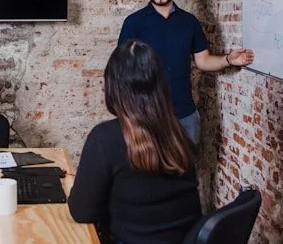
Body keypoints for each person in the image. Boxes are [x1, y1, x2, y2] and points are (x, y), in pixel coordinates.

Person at [68, 40, 201, 243]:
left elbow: (82, 212)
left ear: (113, 86)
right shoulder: (179, 134)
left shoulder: (104, 138)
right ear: (160, 85)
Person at [118, 0, 254, 144]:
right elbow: (121, 72)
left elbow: (203, 61)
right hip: (146, 118)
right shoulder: (133, 23)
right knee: (147, 172)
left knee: (187, 172)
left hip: (185, 116)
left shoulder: (189, 22)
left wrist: (229, 59)